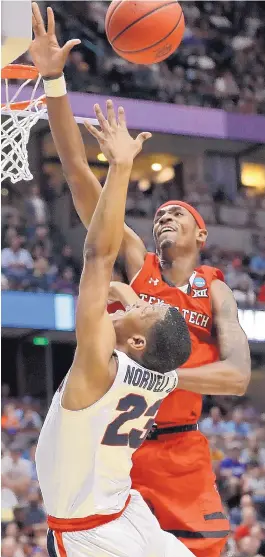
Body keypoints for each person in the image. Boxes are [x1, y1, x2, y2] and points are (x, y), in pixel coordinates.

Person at [29, 5, 251, 556]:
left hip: (174, 449)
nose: (163, 217)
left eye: (177, 212)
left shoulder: (214, 288)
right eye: (159, 213)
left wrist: (158, 378)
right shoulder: (137, 266)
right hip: (122, 450)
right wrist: (55, 81)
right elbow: (80, 177)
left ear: (203, 235)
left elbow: (238, 378)